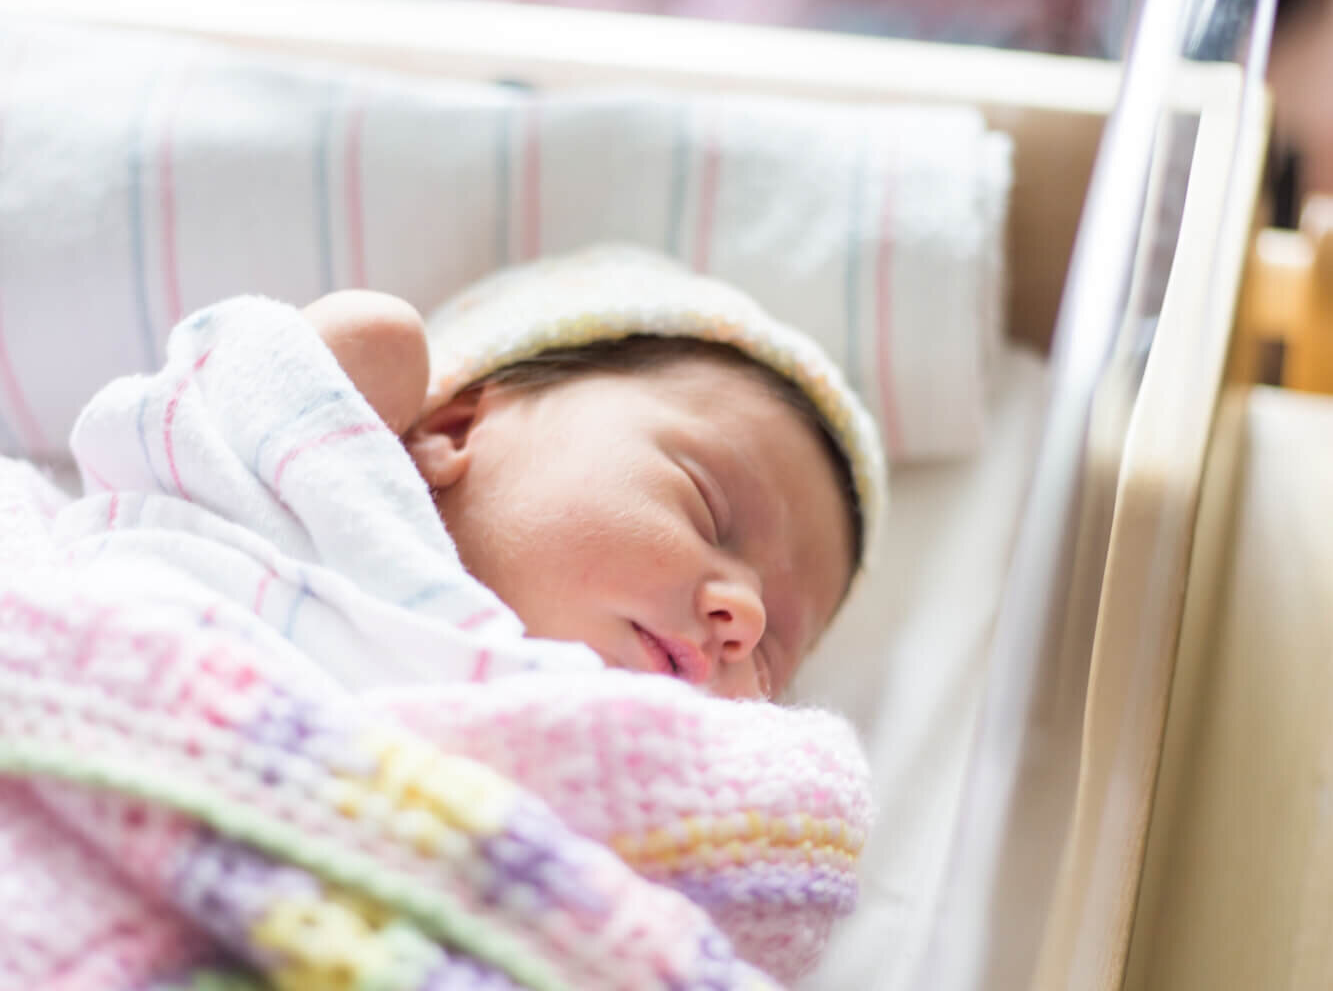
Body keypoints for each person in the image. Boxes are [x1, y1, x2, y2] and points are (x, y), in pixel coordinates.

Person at [61, 245, 886, 703]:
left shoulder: (605, 779)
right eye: (706, 509)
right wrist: (384, 386)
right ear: (454, 427)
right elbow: (296, 371)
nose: (739, 614)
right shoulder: (311, 495)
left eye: (772, 655)